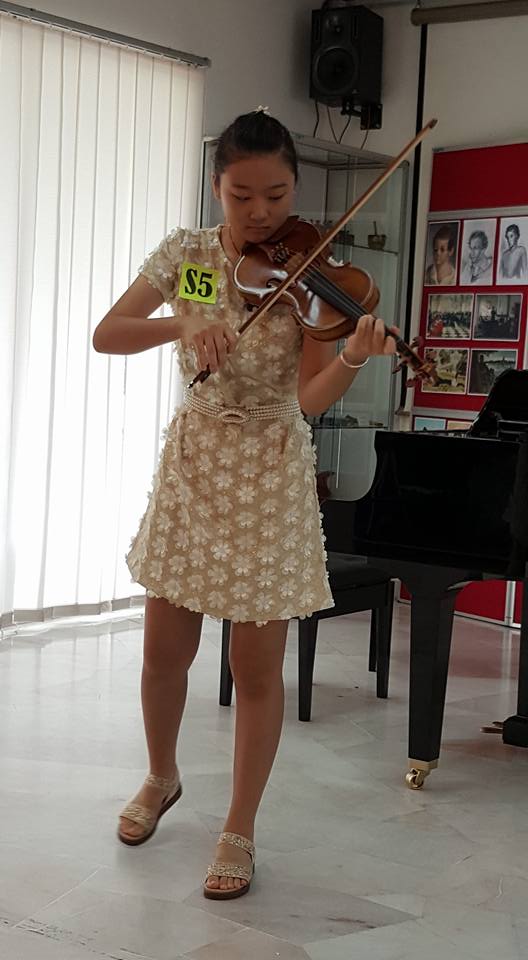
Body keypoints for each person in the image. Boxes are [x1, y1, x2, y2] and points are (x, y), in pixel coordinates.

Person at [92, 109, 396, 901]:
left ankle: (240, 826)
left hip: (270, 470)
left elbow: (309, 399)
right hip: (195, 464)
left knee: (254, 667)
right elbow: (108, 332)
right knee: (164, 652)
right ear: (216, 188)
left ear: (294, 187)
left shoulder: (311, 271)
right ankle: (161, 776)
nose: (261, 213)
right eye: (241, 196)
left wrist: (351, 357)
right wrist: (183, 322)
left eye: (277, 195)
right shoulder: (191, 256)